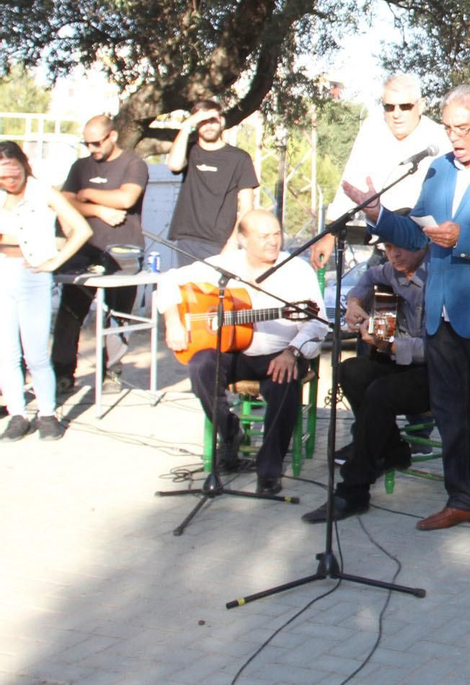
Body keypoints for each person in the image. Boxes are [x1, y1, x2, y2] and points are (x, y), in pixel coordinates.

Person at [344, 84, 470, 545]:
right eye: (448, 127)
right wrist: (378, 214)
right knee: (449, 413)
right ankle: (462, 498)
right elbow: (416, 237)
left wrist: (463, 237)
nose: (452, 136)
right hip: (442, 315)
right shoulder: (437, 170)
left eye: (461, 127)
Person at [155, 210, 325, 494]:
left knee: (285, 383)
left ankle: (269, 469)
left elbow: (318, 324)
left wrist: (293, 352)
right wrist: (173, 320)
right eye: (263, 236)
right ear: (243, 239)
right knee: (200, 365)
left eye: (276, 234)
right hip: (235, 352)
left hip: (280, 353)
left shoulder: (297, 269)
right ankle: (231, 432)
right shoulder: (224, 265)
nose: (273, 242)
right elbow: (168, 280)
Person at [303, 241, 430, 522]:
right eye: (387, 247)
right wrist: (354, 303)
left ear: (422, 245)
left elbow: (443, 349)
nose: (393, 254)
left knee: (380, 392)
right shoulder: (391, 271)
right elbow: (370, 277)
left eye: (401, 247)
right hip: (400, 363)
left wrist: (394, 345)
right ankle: (393, 448)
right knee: (349, 371)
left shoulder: (442, 277)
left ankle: (352, 491)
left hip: (438, 373)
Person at [52, 113, 150, 396]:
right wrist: (98, 209)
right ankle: (62, 372)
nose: (92, 149)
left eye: (97, 143)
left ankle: (111, 372)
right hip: (83, 250)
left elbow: (126, 198)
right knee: (70, 313)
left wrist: (85, 193)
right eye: (87, 144)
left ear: (113, 137)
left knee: (118, 314)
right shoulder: (80, 166)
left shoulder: (133, 163)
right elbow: (63, 203)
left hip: (123, 250)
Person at [0, 142, 92, 440]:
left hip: (33, 275)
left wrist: (56, 261)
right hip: (3, 272)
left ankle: (48, 413)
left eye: (14, 172)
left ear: (24, 166)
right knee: (6, 353)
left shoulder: (43, 191)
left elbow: (81, 229)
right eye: (3, 175)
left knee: (36, 352)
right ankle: (17, 413)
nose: (9, 180)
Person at [310, 73, 448, 270]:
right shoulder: (372, 130)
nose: (396, 113)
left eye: (405, 106)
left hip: (425, 251)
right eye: (389, 107)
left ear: (422, 105)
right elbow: (351, 183)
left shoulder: (438, 137)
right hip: (384, 247)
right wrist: (330, 234)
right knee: (363, 296)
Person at [164, 98, 258, 262]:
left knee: (219, 289)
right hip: (188, 240)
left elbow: (247, 208)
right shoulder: (189, 150)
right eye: (202, 121)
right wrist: (186, 125)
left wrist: (233, 242)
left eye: (212, 121)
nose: (208, 126)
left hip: (221, 243)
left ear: (221, 122)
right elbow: (174, 165)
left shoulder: (240, 158)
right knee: (189, 288)